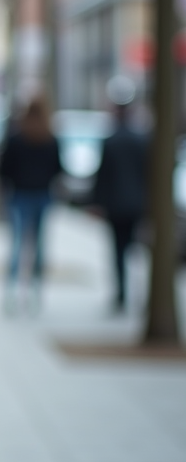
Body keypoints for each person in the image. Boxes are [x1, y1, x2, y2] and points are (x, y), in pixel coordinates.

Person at [0, 96, 62, 303]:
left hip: (19, 195)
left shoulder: (16, 138)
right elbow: (58, 169)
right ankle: (36, 290)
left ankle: (11, 290)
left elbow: (4, 169)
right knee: (40, 243)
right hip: (42, 194)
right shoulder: (50, 139)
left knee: (17, 242)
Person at [92, 97, 148, 311]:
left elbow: (102, 176)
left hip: (115, 205)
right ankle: (135, 292)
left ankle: (122, 293)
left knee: (117, 250)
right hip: (135, 204)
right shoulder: (140, 140)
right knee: (134, 249)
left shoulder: (111, 140)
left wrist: (97, 203)